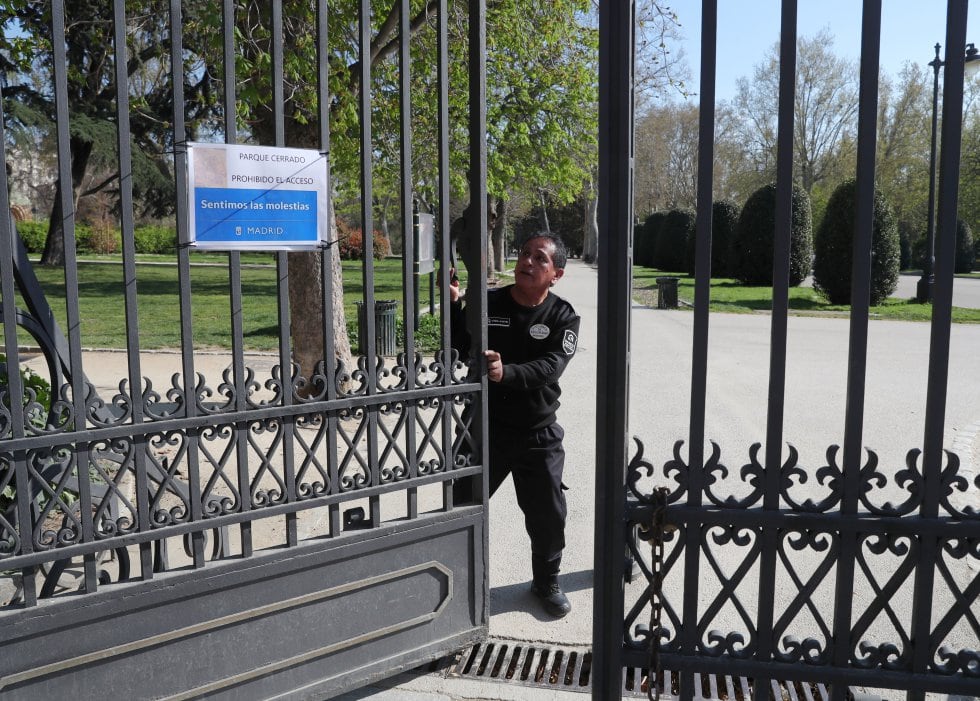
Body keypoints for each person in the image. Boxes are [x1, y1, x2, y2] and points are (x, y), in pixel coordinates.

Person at [449, 232, 580, 618]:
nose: (527, 262)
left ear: (556, 274)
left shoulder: (563, 316)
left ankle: (546, 580)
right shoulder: (488, 302)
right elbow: (457, 343)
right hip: (485, 427)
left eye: (540, 259)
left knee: (548, 513)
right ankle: (453, 580)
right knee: (460, 504)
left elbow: (552, 366)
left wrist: (507, 372)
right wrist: (455, 306)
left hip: (537, 432)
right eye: (525, 255)